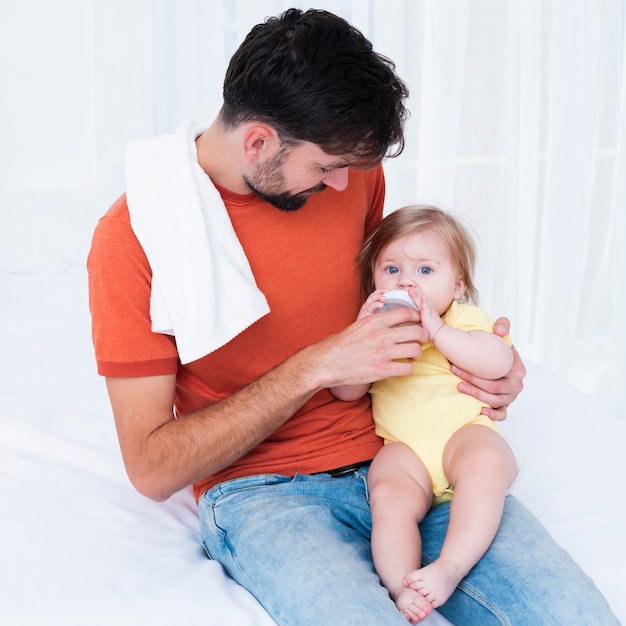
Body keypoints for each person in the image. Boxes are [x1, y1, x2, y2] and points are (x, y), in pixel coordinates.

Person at [87, 8, 618, 625]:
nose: (345, 185)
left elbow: (407, 300)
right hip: (265, 492)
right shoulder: (133, 238)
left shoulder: (352, 171)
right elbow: (152, 468)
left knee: (576, 616)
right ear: (258, 141)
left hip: (409, 451)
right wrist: (315, 365)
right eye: (325, 167)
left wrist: (487, 360)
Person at [331, 206, 519, 623]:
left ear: (459, 285)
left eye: (425, 271)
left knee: (486, 462)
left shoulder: (463, 319)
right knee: (388, 495)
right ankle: (401, 583)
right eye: (392, 269)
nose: (407, 282)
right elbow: (345, 392)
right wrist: (360, 336)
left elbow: (496, 361)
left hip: (462, 435)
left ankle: (450, 566)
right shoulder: (379, 332)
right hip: (405, 449)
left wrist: (439, 332)